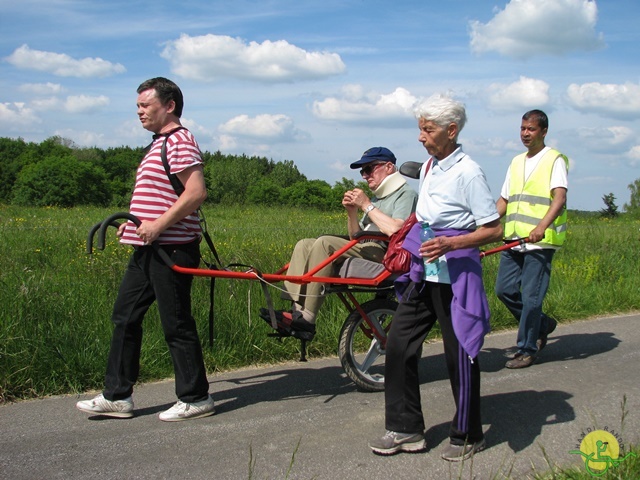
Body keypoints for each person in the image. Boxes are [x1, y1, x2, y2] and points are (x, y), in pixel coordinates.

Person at [369, 94, 503, 461]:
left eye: (427, 130)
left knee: (457, 355)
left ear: (451, 130)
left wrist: (450, 242)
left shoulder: (468, 171)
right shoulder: (429, 166)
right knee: (398, 346)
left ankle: (467, 434)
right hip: (422, 271)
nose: (421, 136)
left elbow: (493, 229)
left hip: (455, 274)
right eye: (420, 129)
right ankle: (405, 428)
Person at [76, 77, 215, 421]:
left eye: (145, 105)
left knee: (176, 322)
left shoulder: (179, 141)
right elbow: (160, 198)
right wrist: (138, 224)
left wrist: (157, 225)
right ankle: (117, 396)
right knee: (125, 316)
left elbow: (196, 193)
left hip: (173, 249)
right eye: (137, 106)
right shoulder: (158, 144)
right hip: (149, 247)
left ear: (169, 106)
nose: (139, 112)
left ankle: (196, 398)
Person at [260, 147, 418, 340]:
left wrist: (366, 205)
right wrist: (351, 211)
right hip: (367, 246)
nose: (365, 176)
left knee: (325, 243)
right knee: (304, 244)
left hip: (387, 252)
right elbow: (355, 236)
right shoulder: (378, 197)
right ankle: (295, 310)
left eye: (369, 169)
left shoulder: (405, 193)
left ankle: (308, 318)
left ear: (388, 167)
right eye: (363, 171)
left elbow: (396, 230)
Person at [495, 110, 568, 369]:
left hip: (539, 241)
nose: (525, 133)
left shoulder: (553, 160)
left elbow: (559, 198)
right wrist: (486, 222)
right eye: (523, 128)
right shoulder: (516, 162)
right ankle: (543, 324)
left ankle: (527, 348)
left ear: (544, 131)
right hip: (514, 238)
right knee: (503, 290)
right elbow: (505, 199)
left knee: (531, 297)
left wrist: (541, 226)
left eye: (531, 129)